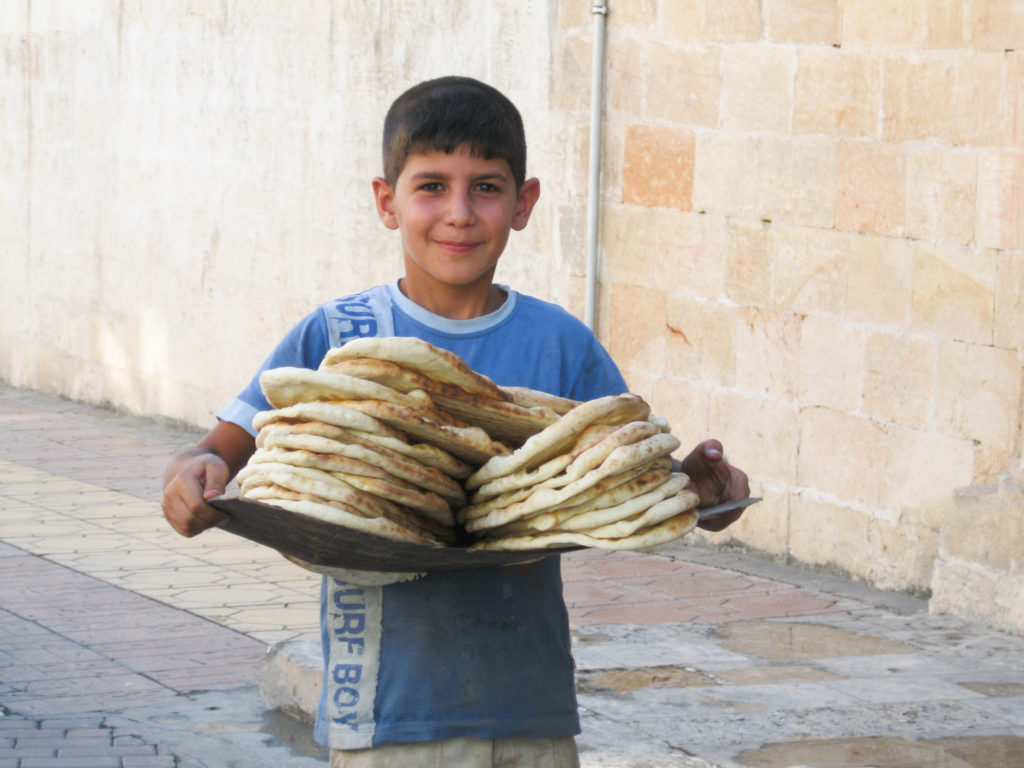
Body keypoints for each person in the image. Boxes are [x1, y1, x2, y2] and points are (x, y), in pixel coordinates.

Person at [162, 75, 750, 768]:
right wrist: (192, 476)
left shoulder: (560, 343)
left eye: (487, 187)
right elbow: (217, 453)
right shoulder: (340, 336)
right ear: (387, 202)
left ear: (524, 203)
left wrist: (710, 493)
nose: (460, 213)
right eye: (432, 186)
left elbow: (629, 487)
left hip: (529, 705)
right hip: (386, 709)